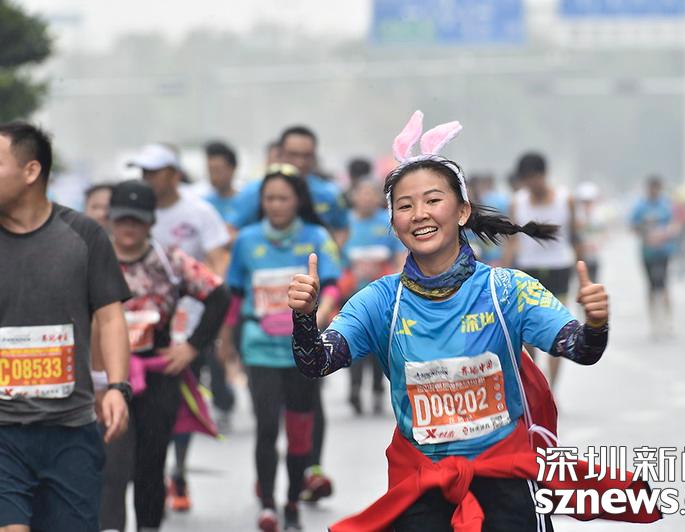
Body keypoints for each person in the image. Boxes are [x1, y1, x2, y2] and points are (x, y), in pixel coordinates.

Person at [288, 111, 624, 531]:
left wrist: (596, 323)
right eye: (405, 206)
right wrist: (304, 318)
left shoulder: (508, 290)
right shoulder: (380, 301)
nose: (419, 214)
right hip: (421, 486)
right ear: (393, 222)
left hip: (506, 483)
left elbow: (581, 349)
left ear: (462, 211)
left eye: (433, 200)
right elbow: (315, 362)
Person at [0, 122, 131, 532]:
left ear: (31, 171)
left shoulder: (83, 235)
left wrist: (117, 387)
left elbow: (110, 317)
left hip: (70, 429)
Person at [98, 180, 229, 532]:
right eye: (122, 219)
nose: (129, 227)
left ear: (151, 221)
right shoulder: (94, 260)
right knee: (113, 466)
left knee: (151, 464)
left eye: (137, 220)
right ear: (110, 219)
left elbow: (219, 296)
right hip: (108, 378)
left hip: (157, 375)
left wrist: (192, 347)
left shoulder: (169, 262)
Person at [220, 163, 341, 531]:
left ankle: (292, 502)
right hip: (259, 349)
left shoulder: (316, 237)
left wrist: (320, 315)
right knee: (267, 427)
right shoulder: (247, 240)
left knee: (299, 429)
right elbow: (234, 296)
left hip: (302, 351)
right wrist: (226, 342)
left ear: (298, 200)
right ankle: (268, 504)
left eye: (283, 198)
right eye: (269, 198)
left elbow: (333, 286)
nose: (275, 205)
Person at [128, 142, 233, 512]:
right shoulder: (132, 212)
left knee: (180, 398)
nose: (147, 178)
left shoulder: (198, 212)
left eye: (154, 172)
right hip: (137, 330)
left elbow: (219, 261)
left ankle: (179, 470)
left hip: (190, 322)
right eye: (143, 172)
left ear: (174, 174)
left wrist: (214, 323)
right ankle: (150, 471)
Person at [505, 152, 578, 389]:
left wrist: (583, 275)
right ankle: (536, 388)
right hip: (528, 270)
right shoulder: (518, 202)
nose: (529, 184)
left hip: (559, 269)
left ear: (543, 175)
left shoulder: (565, 199)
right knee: (527, 334)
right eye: (525, 179)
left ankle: (552, 388)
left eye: (532, 177)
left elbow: (575, 236)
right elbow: (512, 241)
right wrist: (501, 273)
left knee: (558, 332)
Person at [341, 177, 404, 415]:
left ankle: (378, 388)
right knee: (352, 341)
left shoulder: (388, 222)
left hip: (382, 298)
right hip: (352, 295)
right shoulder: (345, 224)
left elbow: (399, 255)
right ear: (354, 197)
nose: (366, 198)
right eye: (362, 193)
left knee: (379, 344)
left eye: (371, 193)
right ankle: (354, 388)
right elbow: (337, 257)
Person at [228, 126, 350, 247]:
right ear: (280, 154)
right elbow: (230, 231)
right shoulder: (254, 192)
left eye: (306, 156)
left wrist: (330, 252)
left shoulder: (329, 193)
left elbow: (342, 228)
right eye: (293, 155)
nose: (300, 162)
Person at [630, 175, 677, 339]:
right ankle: (653, 322)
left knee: (663, 285)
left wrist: (665, 234)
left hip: (663, 251)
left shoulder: (666, 205)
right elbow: (633, 225)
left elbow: (675, 224)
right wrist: (646, 235)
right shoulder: (641, 206)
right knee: (651, 286)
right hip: (647, 252)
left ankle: (668, 320)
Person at [573, 181, 606, 282]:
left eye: (589, 201)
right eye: (584, 202)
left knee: (594, 283)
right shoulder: (576, 218)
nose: (587, 204)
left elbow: (603, 235)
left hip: (594, 257)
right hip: (579, 258)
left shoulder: (598, 217)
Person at [204, 140, 240, 224]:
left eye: (217, 171)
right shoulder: (205, 203)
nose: (213, 177)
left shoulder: (245, 202)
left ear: (232, 169)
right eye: (210, 171)